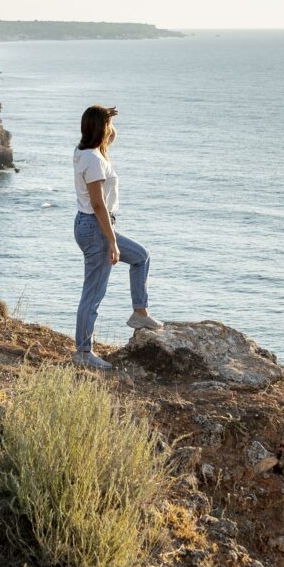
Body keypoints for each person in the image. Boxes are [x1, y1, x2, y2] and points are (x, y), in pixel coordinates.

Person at [72, 103, 163, 370]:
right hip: (97, 227)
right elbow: (99, 204)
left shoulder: (83, 152)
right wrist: (111, 241)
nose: (112, 132)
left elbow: (109, 139)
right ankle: (83, 352)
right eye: (108, 126)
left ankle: (140, 313)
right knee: (93, 293)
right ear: (101, 130)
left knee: (141, 257)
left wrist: (105, 116)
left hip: (89, 225)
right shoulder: (94, 160)